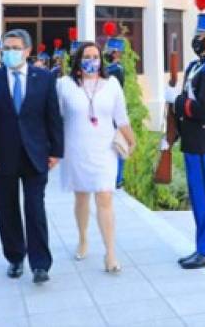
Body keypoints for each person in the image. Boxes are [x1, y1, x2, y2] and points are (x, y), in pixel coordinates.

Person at [0, 28, 63, 285]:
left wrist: (56, 150)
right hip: (1, 157)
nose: (10, 53)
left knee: (35, 208)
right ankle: (14, 257)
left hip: (35, 155)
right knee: (6, 208)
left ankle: (40, 264)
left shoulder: (44, 78)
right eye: (6, 48)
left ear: (27, 51)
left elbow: (53, 117)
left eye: (15, 48)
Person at [56, 42, 136, 273]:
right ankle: (83, 238)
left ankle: (110, 253)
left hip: (105, 149)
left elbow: (121, 117)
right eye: (87, 56)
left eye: (96, 56)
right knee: (81, 197)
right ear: (78, 60)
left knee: (105, 197)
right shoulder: (64, 85)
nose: (92, 60)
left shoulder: (111, 85)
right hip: (76, 149)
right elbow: (56, 117)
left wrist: (132, 140)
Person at [163, 0, 205, 269]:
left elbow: (201, 108)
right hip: (191, 140)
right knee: (197, 196)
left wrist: (175, 101)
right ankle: (202, 247)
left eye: (200, 36)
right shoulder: (195, 66)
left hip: (203, 139)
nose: (195, 40)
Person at [102, 34, 127, 189]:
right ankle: (116, 178)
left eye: (111, 50)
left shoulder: (114, 69)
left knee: (117, 145)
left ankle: (116, 177)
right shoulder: (113, 69)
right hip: (111, 111)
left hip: (111, 111)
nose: (108, 52)